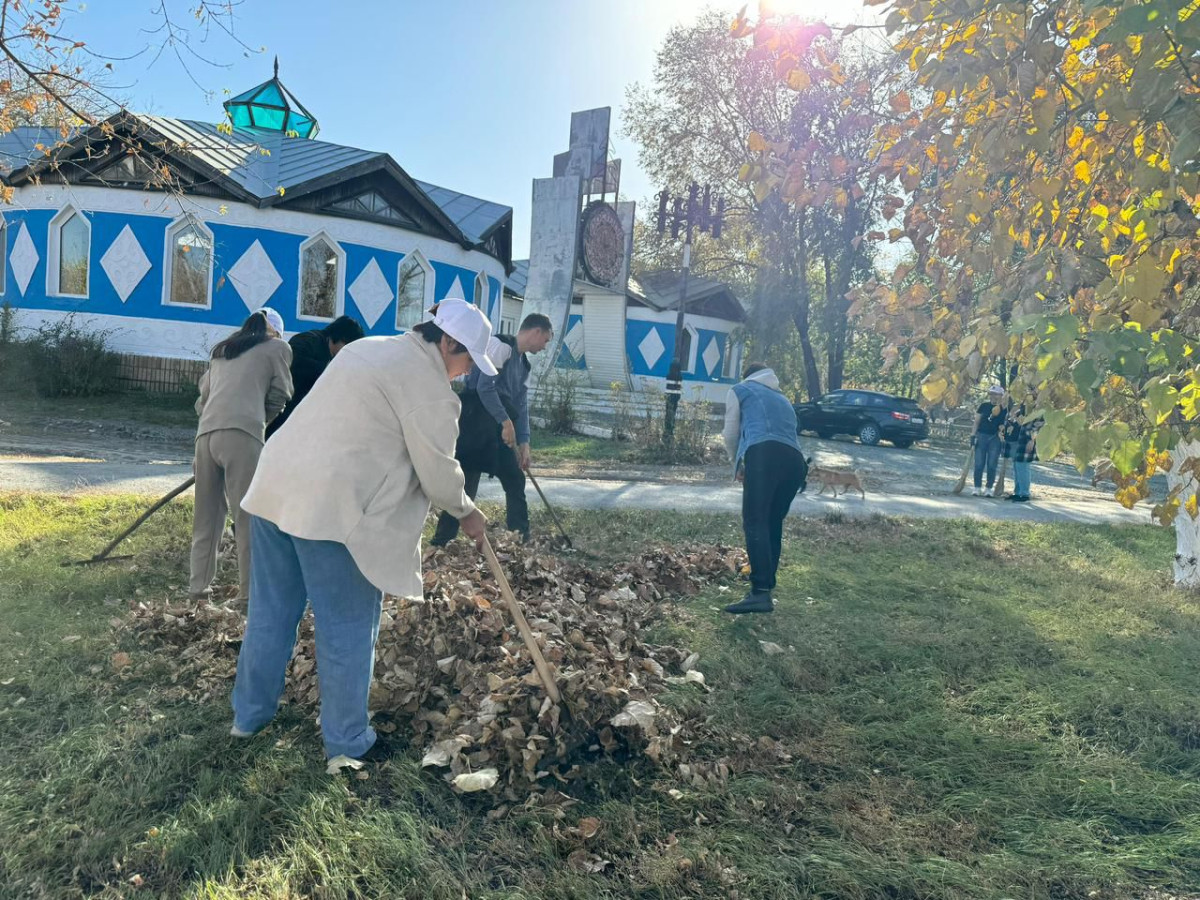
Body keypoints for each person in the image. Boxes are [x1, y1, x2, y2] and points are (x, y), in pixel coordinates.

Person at [230, 298, 494, 763]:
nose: (464, 373)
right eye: (466, 360)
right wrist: (468, 512)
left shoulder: (365, 348)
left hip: (274, 487)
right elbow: (438, 472)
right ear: (448, 342)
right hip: (333, 512)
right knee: (348, 629)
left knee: (270, 614)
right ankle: (347, 746)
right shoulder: (430, 387)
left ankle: (248, 719)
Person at [190, 307, 293, 605]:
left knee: (206, 518)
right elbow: (280, 394)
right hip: (243, 436)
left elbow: (203, 401)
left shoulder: (223, 351)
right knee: (247, 518)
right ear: (274, 332)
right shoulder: (279, 348)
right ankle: (248, 597)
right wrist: (258, 424)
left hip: (206, 436)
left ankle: (198, 592)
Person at [430, 313, 554, 546]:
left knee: (515, 478)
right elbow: (484, 388)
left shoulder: (524, 365)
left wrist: (525, 441)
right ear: (536, 331)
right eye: (546, 340)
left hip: (497, 428)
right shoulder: (501, 346)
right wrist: (505, 422)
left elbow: (521, 405)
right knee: (465, 483)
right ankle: (441, 542)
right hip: (475, 423)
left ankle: (518, 538)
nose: (545, 346)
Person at [720, 362, 808, 615]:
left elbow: (730, 432)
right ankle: (766, 586)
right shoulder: (783, 400)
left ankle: (759, 593)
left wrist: (736, 463)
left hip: (764, 454)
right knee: (772, 523)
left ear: (747, 376)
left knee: (755, 521)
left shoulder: (741, 389)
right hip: (796, 463)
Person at [265, 314, 365, 438]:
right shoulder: (309, 340)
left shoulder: (328, 354)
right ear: (340, 338)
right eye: (347, 347)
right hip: (282, 412)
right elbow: (294, 363)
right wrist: (330, 372)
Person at [971, 384, 1008, 497]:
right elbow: (977, 421)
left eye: (996, 394)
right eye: (991, 394)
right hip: (981, 436)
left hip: (995, 438)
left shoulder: (1004, 409)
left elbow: (1004, 424)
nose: (993, 396)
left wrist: (1003, 429)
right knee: (979, 464)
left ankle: (989, 488)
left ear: (1001, 396)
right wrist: (973, 435)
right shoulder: (983, 406)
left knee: (992, 464)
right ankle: (977, 487)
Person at [1007, 409, 1041, 502]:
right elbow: (1014, 420)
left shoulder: (1037, 413)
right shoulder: (1023, 409)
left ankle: (1025, 494)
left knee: (1023, 468)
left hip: (1027, 443)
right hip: (1019, 443)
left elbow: (1038, 428)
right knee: (1017, 468)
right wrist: (1013, 417)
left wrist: (1032, 440)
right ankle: (1017, 493)